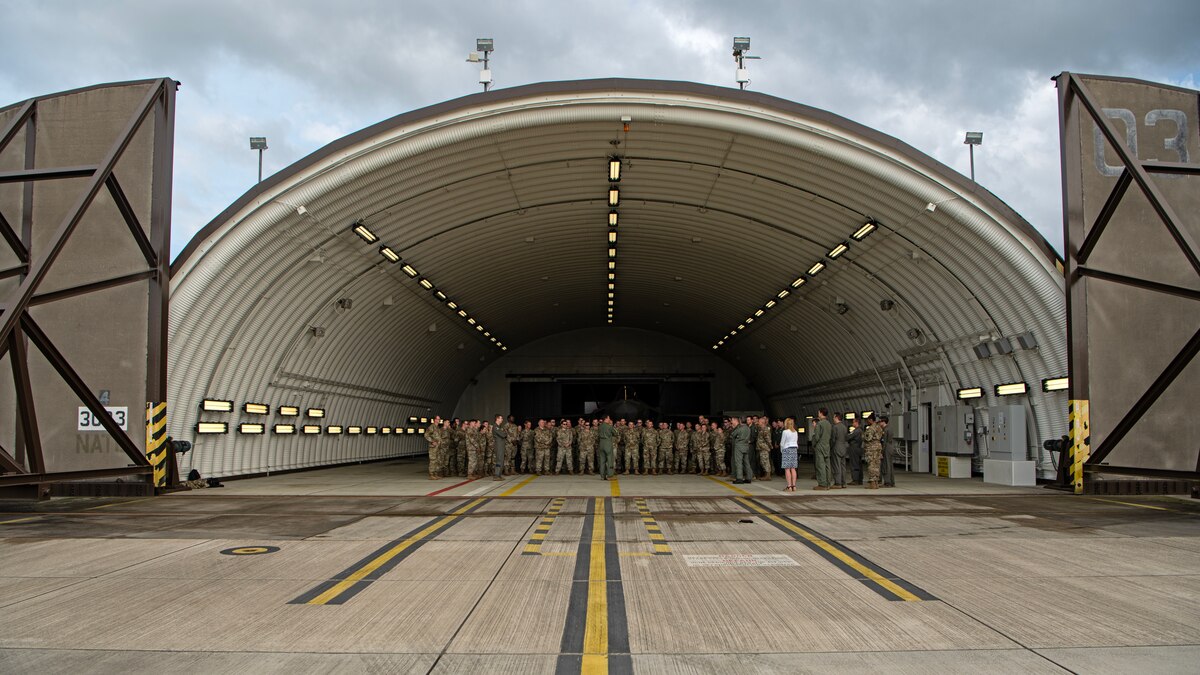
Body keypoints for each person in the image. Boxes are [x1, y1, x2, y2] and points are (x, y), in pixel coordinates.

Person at [811, 408, 832, 490]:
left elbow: (816, 437)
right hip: (827, 446)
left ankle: (822, 484)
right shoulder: (829, 424)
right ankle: (828, 483)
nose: (818, 414)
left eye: (818, 412)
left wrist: (814, 445)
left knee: (820, 465)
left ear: (821, 413)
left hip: (820, 446)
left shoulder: (819, 424)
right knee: (827, 465)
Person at [862, 413, 883, 489]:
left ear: (871, 420)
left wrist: (863, 435)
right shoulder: (879, 427)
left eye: (868, 420)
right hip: (878, 447)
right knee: (877, 465)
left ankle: (872, 483)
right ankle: (876, 482)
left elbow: (868, 438)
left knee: (871, 465)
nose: (867, 422)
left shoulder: (871, 428)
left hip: (872, 449)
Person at [729, 416, 752, 484]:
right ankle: (749, 477)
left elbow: (733, 434)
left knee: (738, 462)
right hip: (746, 446)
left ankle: (739, 478)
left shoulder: (740, 429)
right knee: (746, 462)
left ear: (740, 421)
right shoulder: (748, 428)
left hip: (739, 446)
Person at [780, 417, 799, 491]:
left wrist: (782, 450)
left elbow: (782, 443)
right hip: (794, 450)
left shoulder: (785, 432)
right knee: (793, 468)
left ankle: (789, 486)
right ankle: (794, 486)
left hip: (787, 449)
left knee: (787, 469)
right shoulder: (795, 432)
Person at [830, 413, 848, 489]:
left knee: (836, 466)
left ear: (837, 417)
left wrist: (830, 447)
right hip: (843, 447)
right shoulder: (844, 427)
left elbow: (833, 439)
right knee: (843, 466)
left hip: (836, 447)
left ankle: (838, 483)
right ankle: (844, 482)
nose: (833, 419)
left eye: (834, 417)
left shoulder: (835, 427)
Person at [424, 415, 443, 480]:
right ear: (434, 420)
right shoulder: (431, 427)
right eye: (437, 419)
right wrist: (432, 441)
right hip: (433, 447)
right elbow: (426, 435)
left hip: (438, 447)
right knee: (433, 460)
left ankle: (435, 474)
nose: (438, 420)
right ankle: (431, 474)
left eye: (439, 419)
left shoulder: (437, 427)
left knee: (437, 460)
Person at [597, 415, 615, 480]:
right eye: (609, 418)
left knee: (602, 461)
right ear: (606, 419)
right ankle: (609, 476)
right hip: (607, 444)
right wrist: (611, 425)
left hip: (601, 443)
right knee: (610, 460)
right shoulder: (609, 426)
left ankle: (602, 476)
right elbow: (616, 433)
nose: (609, 419)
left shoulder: (600, 426)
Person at [847, 417, 863, 485]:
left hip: (854, 448)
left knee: (854, 464)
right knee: (859, 464)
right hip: (858, 448)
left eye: (853, 422)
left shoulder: (856, 431)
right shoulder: (860, 430)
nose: (852, 423)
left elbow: (848, 437)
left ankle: (855, 480)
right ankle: (859, 479)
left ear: (857, 422)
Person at [879, 416, 895, 487]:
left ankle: (887, 482)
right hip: (890, 447)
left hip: (886, 448)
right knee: (890, 465)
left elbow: (884, 442)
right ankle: (891, 481)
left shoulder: (885, 430)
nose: (879, 423)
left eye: (880, 421)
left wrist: (881, 452)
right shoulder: (890, 428)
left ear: (883, 422)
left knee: (886, 465)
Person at [492, 415, 507, 480]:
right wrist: (504, 433)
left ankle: (499, 475)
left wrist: (504, 432)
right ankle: (496, 475)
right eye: (501, 418)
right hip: (498, 445)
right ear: (497, 419)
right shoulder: (495, 427)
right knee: (499, 460)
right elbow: (503, 435)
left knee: (501, 460)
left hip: (501, 445)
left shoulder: (499, 427)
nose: (502, 420)